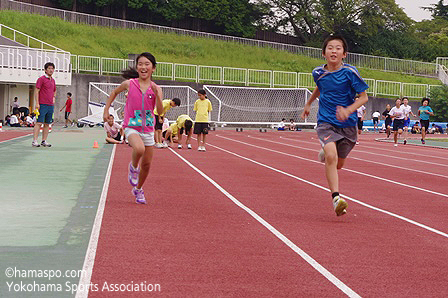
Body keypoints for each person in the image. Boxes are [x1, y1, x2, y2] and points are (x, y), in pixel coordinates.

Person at [301, 35, 369, 216]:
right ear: (324, 53)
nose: (334, 51)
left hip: (348, 124)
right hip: (326, 121)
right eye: (330, 47)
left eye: (338, 48)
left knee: (338, 164)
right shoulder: (318, 72)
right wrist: (308, 104)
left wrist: (348, 110)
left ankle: (327, 151)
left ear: (344, 54)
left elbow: (363, 97)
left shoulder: (350, 73)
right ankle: (336, 198)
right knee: (331, 157)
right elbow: (320, 86)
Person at [102, 52, 163, 204]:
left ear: (153, 68)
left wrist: (158, 96)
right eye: (140, 64)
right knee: (139, 149)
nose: (143, 67)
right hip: (131, 126)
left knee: (147, 165)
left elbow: (160, 111)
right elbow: (114, 92)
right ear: (137, 67)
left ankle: (138, 189)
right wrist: (106, 110)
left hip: (148, 129)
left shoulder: (156, 88)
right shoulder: (130, 84)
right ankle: (133, 167)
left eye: (147, 64)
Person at [32, 62, 56, 147]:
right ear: (45, 70)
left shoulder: (53, 80)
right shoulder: (41, 79)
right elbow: (36, 90)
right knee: (39, 123)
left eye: (52, 68)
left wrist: (53, 98)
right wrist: (37, 103)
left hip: (50, 106)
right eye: (49, 68)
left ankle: (44, 140)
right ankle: (34, 141)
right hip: (42, 104)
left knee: (47, 123)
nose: (51, 70)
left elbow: (54, 91)